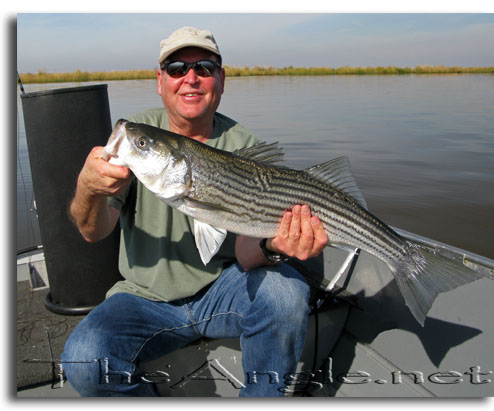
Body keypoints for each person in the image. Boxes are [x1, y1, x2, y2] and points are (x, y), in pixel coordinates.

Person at [63, 26, 328, 397]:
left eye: (204, 67)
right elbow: (92, 230)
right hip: (142, 298)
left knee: (286, 292)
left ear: (221, 79)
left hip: (223, 290)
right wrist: (89, 188)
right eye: (176, 68)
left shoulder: (243, 145)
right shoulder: (138, 138)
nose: (190, 77)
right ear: (160, 81)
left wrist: (275, 246)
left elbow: (245, 253)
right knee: (83, 359)